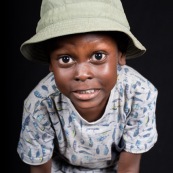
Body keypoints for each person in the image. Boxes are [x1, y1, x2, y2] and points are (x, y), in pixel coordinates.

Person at [17, 0, 158, 172]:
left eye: (98, 56)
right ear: (50, 63)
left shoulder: (140, 93)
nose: (82, 74)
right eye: (65, 59)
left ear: (121, 54)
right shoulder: (39, 104)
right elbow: (40, 169)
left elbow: (128, 167)